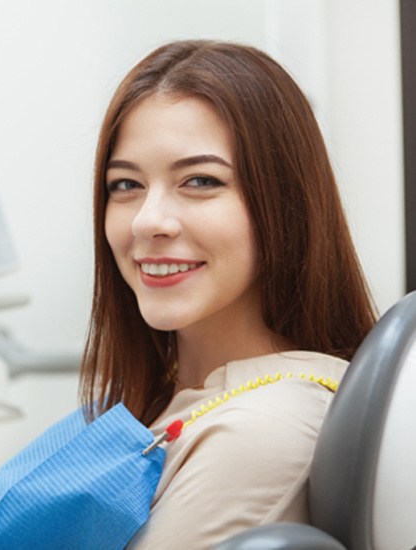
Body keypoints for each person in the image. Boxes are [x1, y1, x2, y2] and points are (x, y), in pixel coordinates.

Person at [79, 40, 377, 548]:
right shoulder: (169, 391)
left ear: (284, 203)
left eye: (199, 180)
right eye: (126, 185)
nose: (149, 221)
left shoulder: (259, 430)